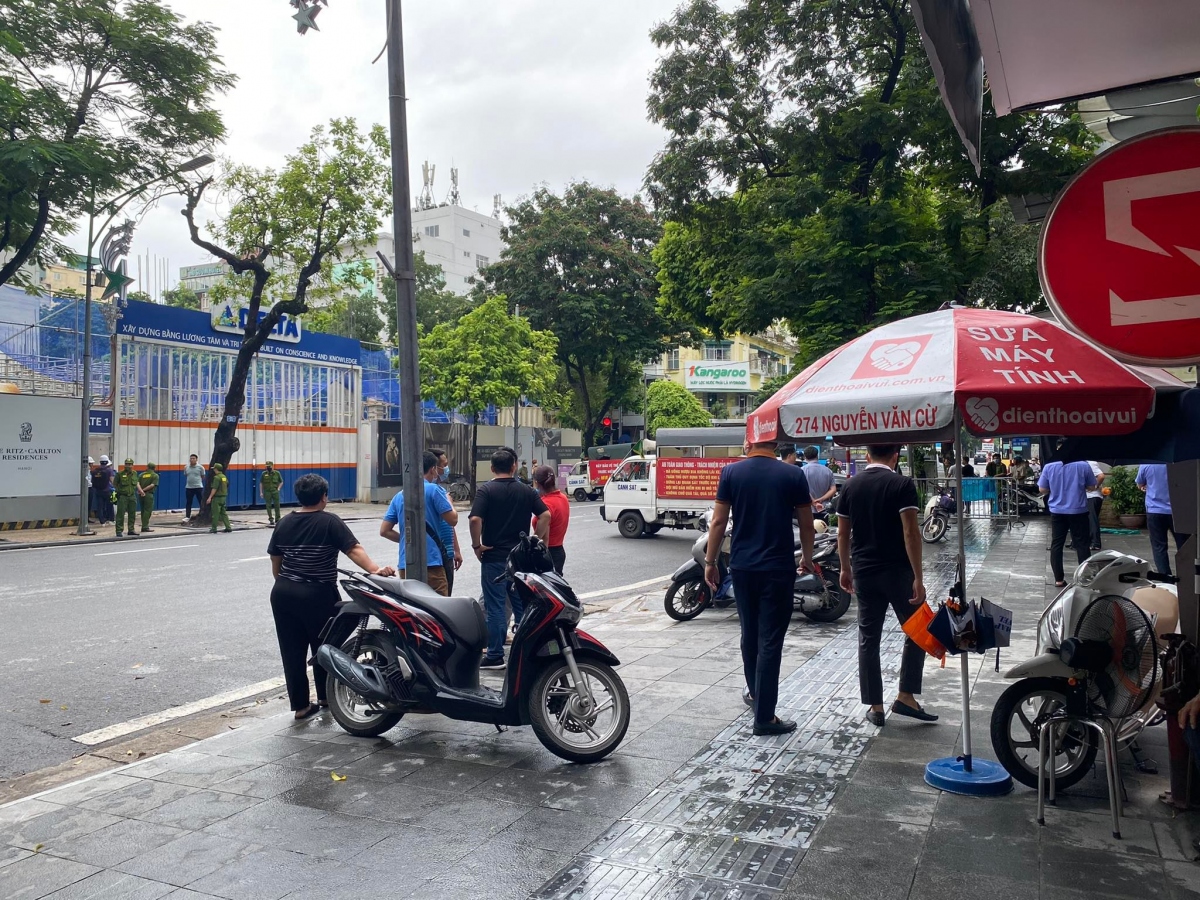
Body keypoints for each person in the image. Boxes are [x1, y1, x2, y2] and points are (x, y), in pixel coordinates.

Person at [705, 437, 815, 736]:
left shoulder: (731, 473)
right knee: (770, 640)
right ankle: (765, 716)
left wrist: (710, 562)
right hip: (778, 568)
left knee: (749, 633)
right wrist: (806, 557)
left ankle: (755, 693)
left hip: (742, 566)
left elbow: (718, 522)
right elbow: (807, 523)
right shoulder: (793, 475)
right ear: (776, 445)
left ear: (748, 443)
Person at [268, 473, 395, 720]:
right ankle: (326, 697)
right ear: (324, 496)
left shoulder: (284, 523)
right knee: (325, 645)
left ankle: (301, 706)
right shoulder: (329, 522)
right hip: (318, 593)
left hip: (283, 593)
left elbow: (276, 561)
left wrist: (284, 583)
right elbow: (353, 549)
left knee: (291, 650)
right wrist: (375, 570)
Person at [836, 444, 935, 727]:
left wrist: (845, 568)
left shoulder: (851, 486)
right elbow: (910, 532)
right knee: (919, 629)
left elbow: (843, 533)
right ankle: (905, 695)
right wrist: (919, 576)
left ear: (867, 456)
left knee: (869, 637)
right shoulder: (901, 484)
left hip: (865, 573)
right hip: (898, 573)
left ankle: (875, 707)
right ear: (895, 457)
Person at [470, 449, 550, 668]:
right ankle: (527, 653)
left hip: (493, 557)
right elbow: (545, 515)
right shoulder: (527, 491)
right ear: (514, 466)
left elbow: (475, 519)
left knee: (495, 607)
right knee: (522, 606)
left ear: (492, 468)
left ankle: (495, 656)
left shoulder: (485, 490)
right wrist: (535, 539)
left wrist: (477, 545)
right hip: (520, 560)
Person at [380, 451, 458, 596]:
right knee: (438, 611)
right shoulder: (435, 490)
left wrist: (409, 540)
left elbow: (384, 530)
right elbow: (452, 520)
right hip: (432, 563)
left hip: (406, 564)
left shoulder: (400, 495)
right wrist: (450, 503)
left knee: (413, 611)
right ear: (433, 469)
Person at [1038, 456, 1096, 587]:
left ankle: (1059, 579)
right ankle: (1084, 578)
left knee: (1057, 544)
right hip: (1078, 510)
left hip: (1057, 511)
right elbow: (1092, 486)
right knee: (1082, 544)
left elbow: (1042, 489)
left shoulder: (1050, 466)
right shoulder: (1083, 465)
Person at [1137, 464, 1190, 577]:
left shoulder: (1146, 465)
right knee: (1185, 546)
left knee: (1159, 547)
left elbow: (1140, 484)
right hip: (1178, 511)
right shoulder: (1179, 464)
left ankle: (1166, 578)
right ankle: (1187, 576)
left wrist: (1145, 487)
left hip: (1154, 510)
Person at [533, 465, 569, 574]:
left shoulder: (545, 505)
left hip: (548, 553)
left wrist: (532, 546)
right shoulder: (563, 497)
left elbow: (545, 539)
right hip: (559, 550)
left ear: (537, 483)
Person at [801, 446, 837, 512]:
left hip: (808, 509)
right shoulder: (828, 471)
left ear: (805, 457)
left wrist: (813, 501)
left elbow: (801, 490)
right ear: (817, 455)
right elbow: (833, 489)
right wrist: (821, 499)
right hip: (824, 509)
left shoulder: (801, 471)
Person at [113, 458, 143, 538]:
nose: (128, 466)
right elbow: (115, 484)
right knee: (120, 514)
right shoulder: (119, 474)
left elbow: (136, 483)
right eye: (126, 464)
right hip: (123, 496)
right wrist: (119, 491)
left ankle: (131, 530)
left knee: (132, 514)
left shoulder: (135, 473)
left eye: (129, 464)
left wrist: (141, 491)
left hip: (132, 496)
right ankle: (119, 530)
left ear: (132, 465)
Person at [1085, 461, 1106, 552]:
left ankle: (1095, 543)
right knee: (1086, 520)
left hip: (1092, 496)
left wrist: (1095, 486)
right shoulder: (1083, 463)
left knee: (1092, 519)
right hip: (1088, 496)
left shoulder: (1090, 463)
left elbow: (1101, 476)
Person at [208, 462, 233, 534]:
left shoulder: (216, 478)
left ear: (216, 469)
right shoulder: (223, 477)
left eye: (214, 469)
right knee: (223, 513)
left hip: (217, 498)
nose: (213, 470)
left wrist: (210, 497)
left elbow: (214, 488)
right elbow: (227, 484)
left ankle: (214, 528)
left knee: (215, 513)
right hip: (223, 497)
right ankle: (228, 527)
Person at [260, 461, 283, 527]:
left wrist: (278, 488)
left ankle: (277, 519)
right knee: (268, 506)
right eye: (267, 466)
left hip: (275, 491)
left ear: (272, 466)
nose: (268, 468)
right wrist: (261, 492)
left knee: (277, 505)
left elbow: (281, 482)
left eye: (269, 466)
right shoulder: (264, 474)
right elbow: (261, 483)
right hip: (267, 492)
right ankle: (271, 519)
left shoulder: (277, 473)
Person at [137, 462, 159, 533]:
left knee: (143, 510)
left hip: (140, 495)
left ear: (147, 467)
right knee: (148, 511)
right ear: (154, 468)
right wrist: (144, 491)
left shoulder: (141, 475)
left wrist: (141, 491)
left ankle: (144, 525)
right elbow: (152, 485)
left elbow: (137, 483)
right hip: (149, 494)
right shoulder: (155, 475)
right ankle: (145, 526)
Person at [93, 455, 114, 525]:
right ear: (107, 462)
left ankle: (102, 521)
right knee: (109, 505)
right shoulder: (109, 470)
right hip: (107, 491)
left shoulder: (96, 470)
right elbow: (112, 480)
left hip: (98, 491)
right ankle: (110, 519)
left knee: (100, 506)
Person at [184, 454, 206, 520]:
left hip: (198, 487)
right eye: (191, 458)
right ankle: (187, 516)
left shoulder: (200, 467)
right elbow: (186, 474)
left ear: (196, 459)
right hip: (189, 487)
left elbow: (203, 476)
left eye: (193, 458)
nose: (192, 460)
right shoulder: (186, 467)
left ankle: (203, 515)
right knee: (188, 502)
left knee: (201, 501)